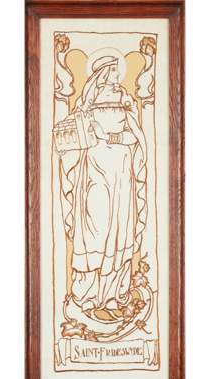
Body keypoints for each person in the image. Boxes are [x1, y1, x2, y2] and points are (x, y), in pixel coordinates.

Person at [58, 55, 148, 313]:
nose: (115, 77)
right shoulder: (87, 105)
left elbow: (134, 137)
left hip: (121, 172)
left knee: (120, 226)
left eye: (116, 71)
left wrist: (114, 137)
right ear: (101, 74)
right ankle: (87, 295)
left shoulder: (123, 100)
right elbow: (77, 136)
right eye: (111, 71)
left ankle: (112, 294)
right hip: (95, 171)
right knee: (94, 230)